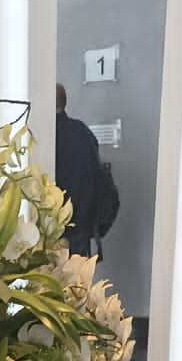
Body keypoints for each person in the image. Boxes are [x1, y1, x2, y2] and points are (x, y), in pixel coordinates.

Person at [55, 82, 102, 257]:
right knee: (78, 273)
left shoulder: (45, 133)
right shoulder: (82, 131)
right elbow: (95, 173)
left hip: (51, 223)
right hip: (81, 222)